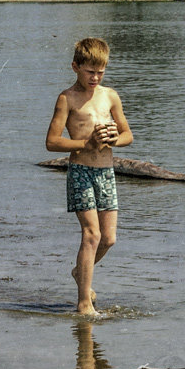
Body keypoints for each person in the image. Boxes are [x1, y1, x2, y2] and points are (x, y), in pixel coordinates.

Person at [45, 37, 132, 316]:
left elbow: (128, 135)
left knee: (108, 239)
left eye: (100, 72)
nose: (95, 77)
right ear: (75, 67)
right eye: (89, 71)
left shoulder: (110, 96)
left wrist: (112, 140)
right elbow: (52, 142)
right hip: (80, 171)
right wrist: (87, 144)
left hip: (106, 172)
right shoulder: (67, 98)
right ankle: (84, 303)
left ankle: (79, 272)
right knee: (91, 235)